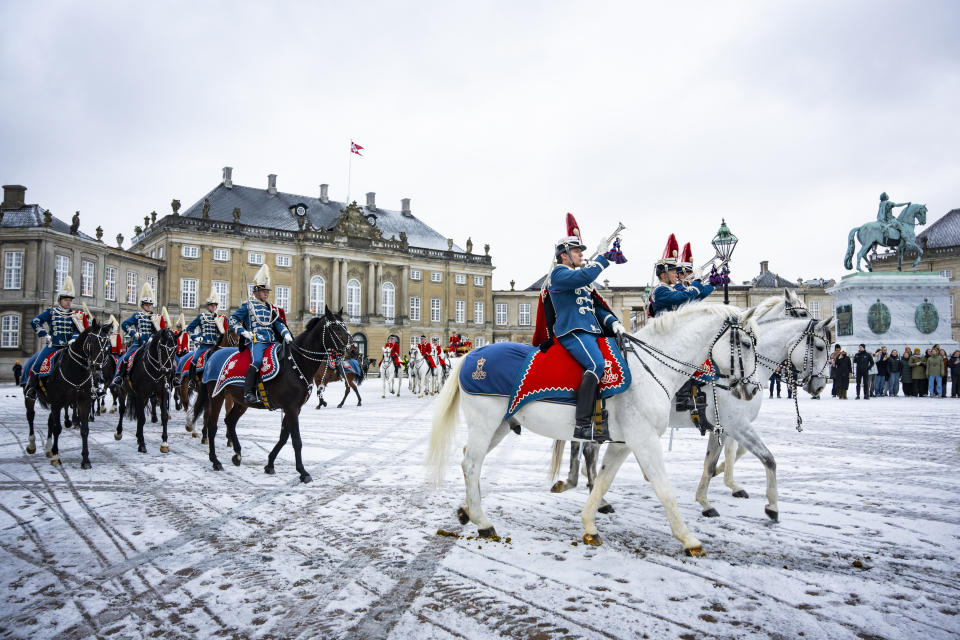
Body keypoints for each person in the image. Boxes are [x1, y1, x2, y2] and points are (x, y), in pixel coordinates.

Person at [533, 213, 625, 441]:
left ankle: (604, 414)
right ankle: (582, 424)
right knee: (596, 364)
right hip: (572, 332)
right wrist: (602, 257)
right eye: (577, 251)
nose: (581, 254)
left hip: (592, 331)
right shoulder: (558, 274)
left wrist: (614, 323)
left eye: (582, 251)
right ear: (564, 255)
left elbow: (596, 309)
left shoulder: (580, 279)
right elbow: (585, 275)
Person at [228, 265, 292, 404]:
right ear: (256, 291)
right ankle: (248, 392)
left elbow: (278, 323)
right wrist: (243, 332)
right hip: (257, 341)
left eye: (267, 291)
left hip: (273, 341)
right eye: (263, 291)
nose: (266, 294)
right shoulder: (248, 306)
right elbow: (232, 320)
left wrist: (286, 333)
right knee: (257, 361)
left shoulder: (270, 308)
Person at [24, 276, 82, 398]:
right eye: (66, 299)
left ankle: (89, 388)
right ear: (60, 300)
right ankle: (32, 389)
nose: (68, 302)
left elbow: (78, 330)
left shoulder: (74, 315)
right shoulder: (51, 312)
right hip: (54, 345)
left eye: (70, 300)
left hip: (68, 348)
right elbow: (35, 321)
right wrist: (44, 334)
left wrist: (74, 338)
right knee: (38, 363)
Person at [111, 283, 162, 390]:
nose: (149, 306)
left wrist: (154, 336)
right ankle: (119, 377)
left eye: (150, 304)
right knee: (125, 358)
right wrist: (134, 333)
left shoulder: (156, 317)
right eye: (146, 304)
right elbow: (125, 325)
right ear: (142, 305)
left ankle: (167, 380)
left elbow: (161, 331)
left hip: (152, 345)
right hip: (139, 344)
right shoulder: (137, 316)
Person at [186, 286, 225, 381]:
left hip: (216, 346)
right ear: (208, 307)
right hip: (204, 346)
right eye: (211, 305)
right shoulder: (201, 316)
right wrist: (195, 338)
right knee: (194, 360)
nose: (213, 307)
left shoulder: (219, 318)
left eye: (215, 305)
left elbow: (223, 333)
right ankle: (192, 380)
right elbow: (189, 329)